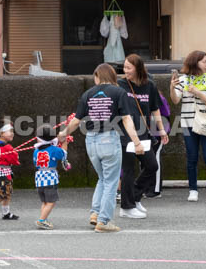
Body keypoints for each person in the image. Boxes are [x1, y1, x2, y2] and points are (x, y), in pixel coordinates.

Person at [60, 62, 144, 233]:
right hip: (109, 138)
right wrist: (137, 142)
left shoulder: (87, 94)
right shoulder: (119, 92)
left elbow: (76, 120)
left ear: (98, 76)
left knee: (103, 178)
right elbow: (126, 119)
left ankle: (95, 213)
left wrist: (63, 133)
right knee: (111, 181)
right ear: (112, 76)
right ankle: (104, 221)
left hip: (90, 140)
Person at [118, 54, 167, 219]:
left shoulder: (150, 86)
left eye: (129, 68)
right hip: (125, 133)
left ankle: (135, 197)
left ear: (138, 68)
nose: (125, 71)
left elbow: (155, 109)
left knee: (152, 166)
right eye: (124, 67)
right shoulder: (120, 85)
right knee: (128, 170)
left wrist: (161, 129)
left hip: (144, 133)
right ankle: (126, 207)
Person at [170, 50, 206, 204]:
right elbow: (175, 101)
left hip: (205, 122)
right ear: (195, 62)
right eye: (204, 61)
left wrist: (198, 92)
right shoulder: (183, 80)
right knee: (191, 158)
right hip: (187, 123)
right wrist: (172, 88)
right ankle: (193, 190)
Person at [33, 125, 68, 230]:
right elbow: (64, 154)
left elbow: (35, 163)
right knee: (51, 202)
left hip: (39, 178)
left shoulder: (36, 150)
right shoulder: (54, 149)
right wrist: (65, 142)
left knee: (45, 201)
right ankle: (41, 220)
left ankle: (43, 218)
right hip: (50, 178)